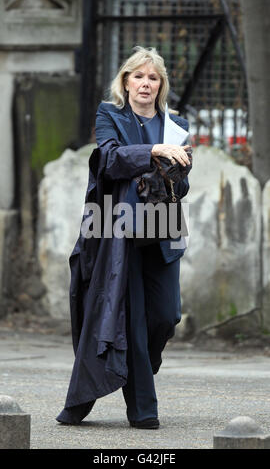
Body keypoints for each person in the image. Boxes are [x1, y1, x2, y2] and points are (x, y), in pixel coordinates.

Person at [56, 46, 192, 430]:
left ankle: (133, 371)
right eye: (138, 76)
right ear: (126, 82)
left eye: (153, 78)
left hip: (162, 228)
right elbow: (111, 160)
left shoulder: (176, 124)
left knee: (166, 315)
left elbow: (181, 187)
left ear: (161, 85)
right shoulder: (110, 115)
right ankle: (143, 411)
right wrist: (153, 151)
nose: (145, 83)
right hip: (118, 229)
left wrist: (177, 174)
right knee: (128, 320)